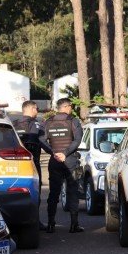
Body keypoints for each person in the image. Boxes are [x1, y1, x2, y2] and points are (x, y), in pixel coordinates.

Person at [39, 98, 84, 233]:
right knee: (73, 192)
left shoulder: (48, 122)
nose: (71, 109)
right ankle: (73, 225)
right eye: (71, 106)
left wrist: (53, 152)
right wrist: (64, 153)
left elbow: (41, 139)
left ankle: (51, 224)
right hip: (70, 160)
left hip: (54, 160)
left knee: (53, 193)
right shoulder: (73, 121)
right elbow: (77, 140)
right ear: (67, 107)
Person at [12, 101, 48, 231]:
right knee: (34, 193)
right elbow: (42, 142)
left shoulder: (13, 124)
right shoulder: (37, 124)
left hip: (13, 164)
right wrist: (54, 153)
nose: (37, 111)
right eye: (36, 109)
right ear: (32, 109)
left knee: (14, 193)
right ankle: (34, 222)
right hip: (33, 164)